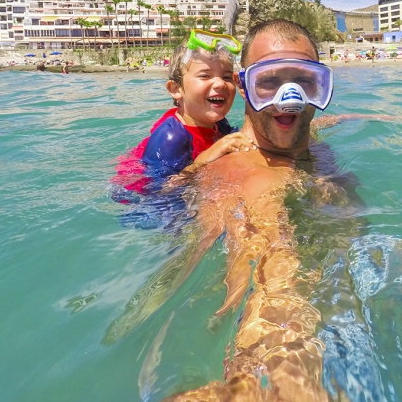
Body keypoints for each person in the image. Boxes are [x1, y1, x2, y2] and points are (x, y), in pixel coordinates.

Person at [106, 20, 378, 400]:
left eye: (304, 81)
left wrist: (388, 118)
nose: (290, 98)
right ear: (247, 85)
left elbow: (321, 124)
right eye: (269, 82)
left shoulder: (293, 140)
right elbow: (274, 291)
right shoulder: (249, 177)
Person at [112, 30, 255, 199]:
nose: (220, 83)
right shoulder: (172, 138)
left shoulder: (220, 124)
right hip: (137, 198)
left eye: (226, 76)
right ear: (176, 89)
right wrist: (205, 159)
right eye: (205, 75)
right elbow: (160, 192)